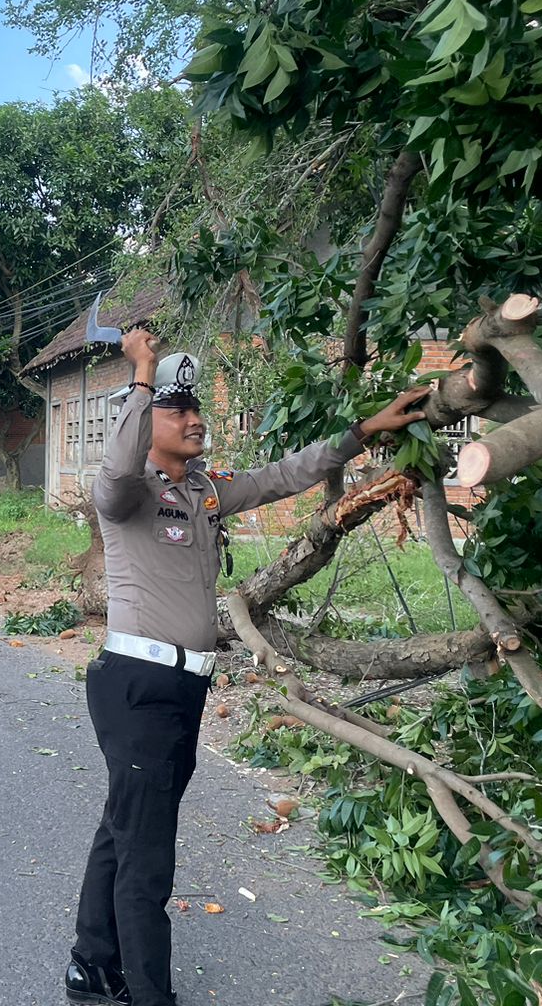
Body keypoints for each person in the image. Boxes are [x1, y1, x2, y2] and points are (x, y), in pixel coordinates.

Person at [66, 332, 429, 1006]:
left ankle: (91, 967)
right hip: (137, 688)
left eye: (194, 408)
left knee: (125, 829)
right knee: (147, 860)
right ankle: (148, 996)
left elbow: (281, 475)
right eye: (177, 412)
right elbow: (114, 474)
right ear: (146, 422)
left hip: (183, 687)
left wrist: (363, 431)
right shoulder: (128, 493)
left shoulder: (203, 489)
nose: (195, 419)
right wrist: (141, 374)